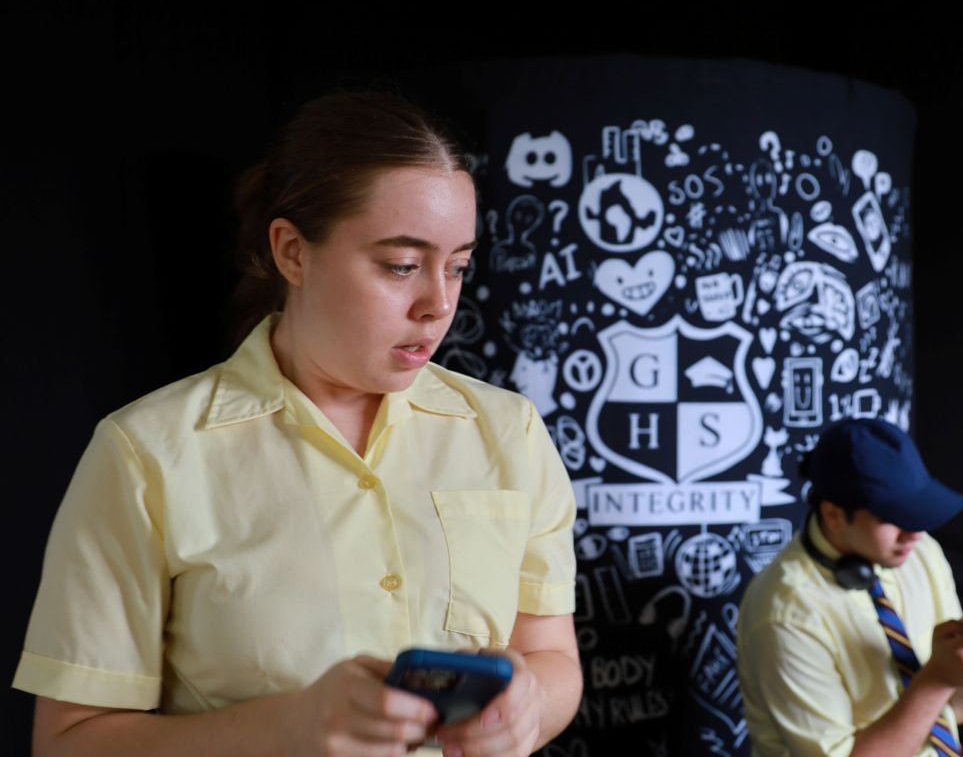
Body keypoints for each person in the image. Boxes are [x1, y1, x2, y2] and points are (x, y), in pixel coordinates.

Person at [14, 91, 583, 757]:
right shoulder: (148, 454)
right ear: (291, 252)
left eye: (458, 265)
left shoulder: (507, 430)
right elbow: (69, 741)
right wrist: (288, 728)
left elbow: (551, 656)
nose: (438, 304)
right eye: (401, 265)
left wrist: (530, 707)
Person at [737, 419, 963, 757]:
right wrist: (936, 680)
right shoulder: (784, 611)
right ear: (833, 515)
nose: (914, 532)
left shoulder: (920, 552)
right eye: (893, 517)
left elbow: (958, 712)